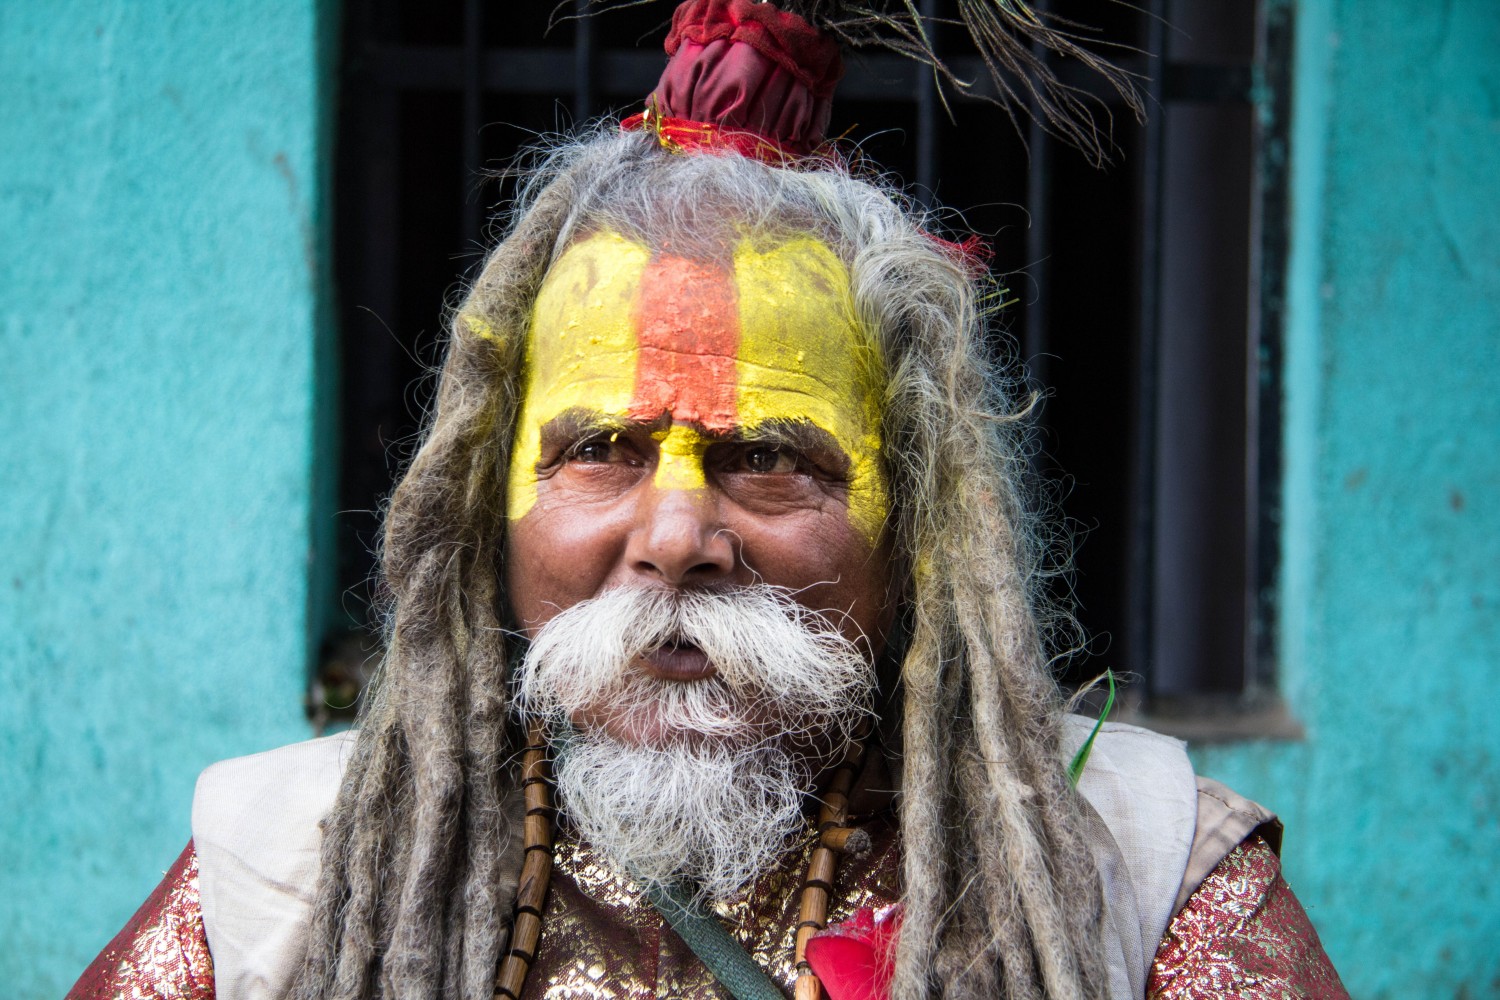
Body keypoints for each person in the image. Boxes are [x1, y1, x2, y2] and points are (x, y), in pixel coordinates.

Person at [69, 3, 1349, 998]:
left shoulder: (1140, 871)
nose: (676, 538)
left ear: (919, 521)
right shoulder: (281, 869)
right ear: (483, 506)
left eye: (771, 456)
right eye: (606, 446)